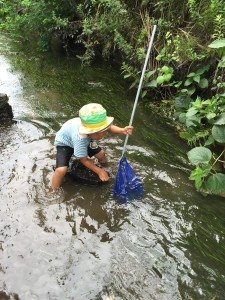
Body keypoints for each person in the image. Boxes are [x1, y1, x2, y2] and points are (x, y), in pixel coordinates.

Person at [51, 103, 133, 191]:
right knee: (61, 170)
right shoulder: (80, 138)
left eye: (104, 130)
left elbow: (109, 128)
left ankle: (107, 168)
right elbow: (83, 159)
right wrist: (99, 171)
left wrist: (122, 130)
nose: (103, 134)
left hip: (86, 139)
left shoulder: (96, 128)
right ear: (90, 132)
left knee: (101, 154)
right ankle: (53, 190)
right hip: (65, 143)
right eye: (99, 132)